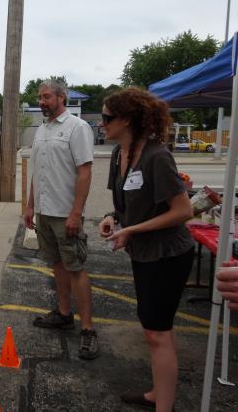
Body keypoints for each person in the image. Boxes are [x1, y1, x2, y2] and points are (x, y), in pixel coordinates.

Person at [98, 88, 195, 412]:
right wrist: (113, 220)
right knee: (150, 327)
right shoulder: (118, 154)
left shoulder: (157, 156)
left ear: (126, 120)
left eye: (107, 118)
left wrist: (132, 230)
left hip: (169, 255)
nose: (102, 124)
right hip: (143, 252)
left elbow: (183, 211)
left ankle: (162, 405)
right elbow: (124, 206)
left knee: (158, 333)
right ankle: (156, 393)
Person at [23, 78, 99, 360]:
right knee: (57, 264)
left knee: (76, 268)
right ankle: (64, 314)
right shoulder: (41, 130)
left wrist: (76, 213)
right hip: (44, 211)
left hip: (66, 213)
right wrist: (30, 207)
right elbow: (37, 172)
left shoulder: (77, 128)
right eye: (40, 97)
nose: (41, 102)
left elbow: (85, 172)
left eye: (46, 97)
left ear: (61, 97)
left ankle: (88, 330)